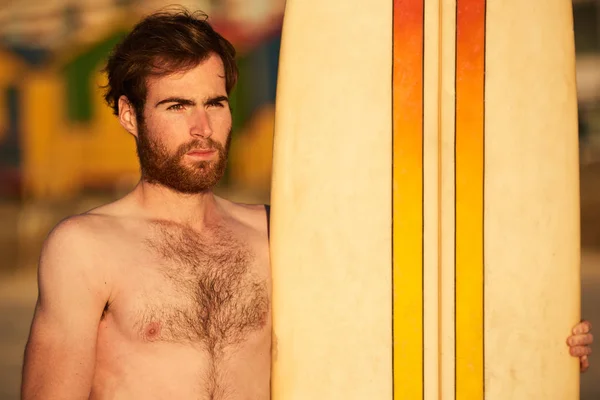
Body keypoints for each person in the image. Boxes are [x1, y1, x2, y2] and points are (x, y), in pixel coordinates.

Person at [20, 8, 592, 400]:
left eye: (214, 103)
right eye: (175, 107)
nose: (202, 127)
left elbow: (391, 318)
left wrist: (539, 334)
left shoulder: (279, 235)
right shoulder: (85, 248)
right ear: (128, 114)